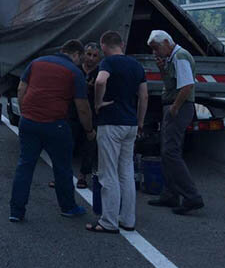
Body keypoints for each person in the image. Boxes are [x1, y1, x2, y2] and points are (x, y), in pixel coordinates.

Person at [9, 39, 95, 222]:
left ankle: (16, 211)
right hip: (55, 124)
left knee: (25, 165)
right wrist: (89, 130)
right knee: (62, 167)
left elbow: (21, 89)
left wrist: (25, 113)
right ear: (76, 54)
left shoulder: (36, 63)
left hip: (29, 122)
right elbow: (82, 106)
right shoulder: (74, 72)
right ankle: (68, 207)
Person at [85, 31, 147, 234]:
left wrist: (98, 103)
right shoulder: (137, 66)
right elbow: (144, 96)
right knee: (126, 172)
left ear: (103, 46)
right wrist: (140, 122)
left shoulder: (109, 63)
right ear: (122, 44)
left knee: (108, 172)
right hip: (130, 124)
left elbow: (101, 81)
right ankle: (128, 219)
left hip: (111, 123)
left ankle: (108, 221)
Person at [146, 30, 204, 215]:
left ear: (165, 42)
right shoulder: (173, 58)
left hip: (179, 106)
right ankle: (171, 193)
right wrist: (162, 68)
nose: (155, 53)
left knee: (171, 152)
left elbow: (187, 85)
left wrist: (174, 108)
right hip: (176, 105)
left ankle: (191, 196)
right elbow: (171, 83)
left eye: (156, 48)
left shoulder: (180, 57)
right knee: (168, 151)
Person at [48, 42, 101, 189]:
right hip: (72, 113)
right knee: (65, 146)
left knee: (89, 147)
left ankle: (83, 176)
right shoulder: (74, 70)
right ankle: (60, 176)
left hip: (91, 114)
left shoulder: (100, 73)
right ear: (83, 54)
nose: (91, 58)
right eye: (89, 54)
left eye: (94, 56)